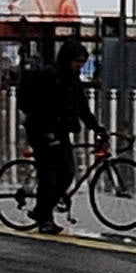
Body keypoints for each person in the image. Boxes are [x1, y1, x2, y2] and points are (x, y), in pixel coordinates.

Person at [15, 33, 89, 229]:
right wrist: (48, 132)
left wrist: (97, 128)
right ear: (67, 58)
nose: (79, 65)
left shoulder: (73, 80)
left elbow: (82, 107)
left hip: (60, 131)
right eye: (77, 61)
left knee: (67, 172)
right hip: (41, 131)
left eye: (82, 62)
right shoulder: (50, 75)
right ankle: (44, 216)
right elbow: (41, 106)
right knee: (49, 174)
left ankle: (42, 210)